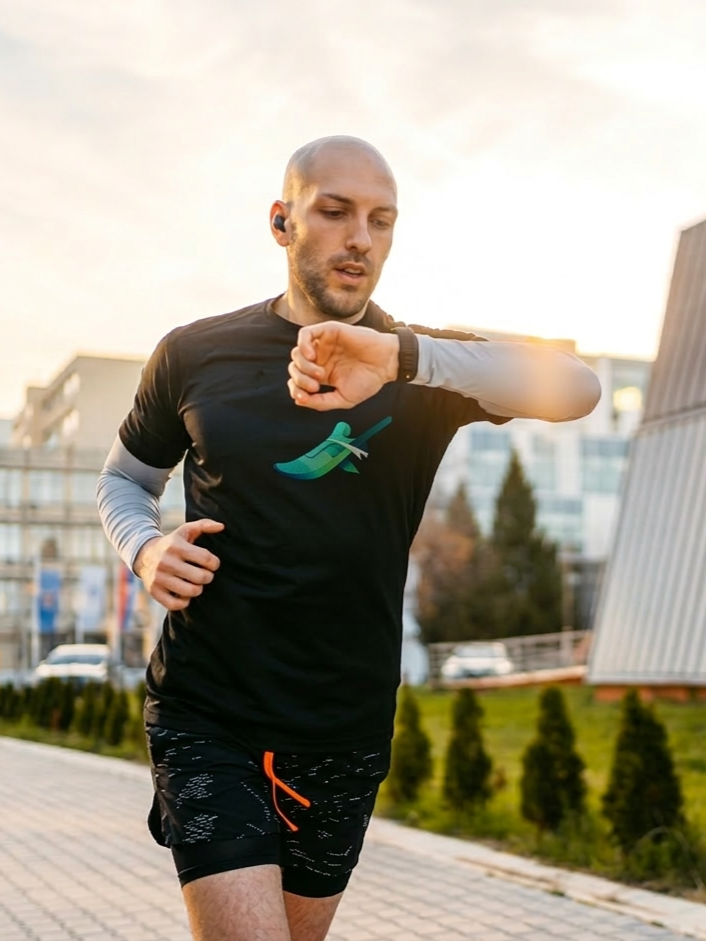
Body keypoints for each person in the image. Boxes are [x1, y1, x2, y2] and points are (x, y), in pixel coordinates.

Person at [97, 135, 601, 941]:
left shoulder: (426, 365)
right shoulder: (194, 353)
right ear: (282, 222)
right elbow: (123, 479)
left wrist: (405, 357)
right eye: (334, 212)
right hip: (207, 708)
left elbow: (579, 388)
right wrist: (145, 547)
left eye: (381, 219)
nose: (360, 237)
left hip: (345, 724)